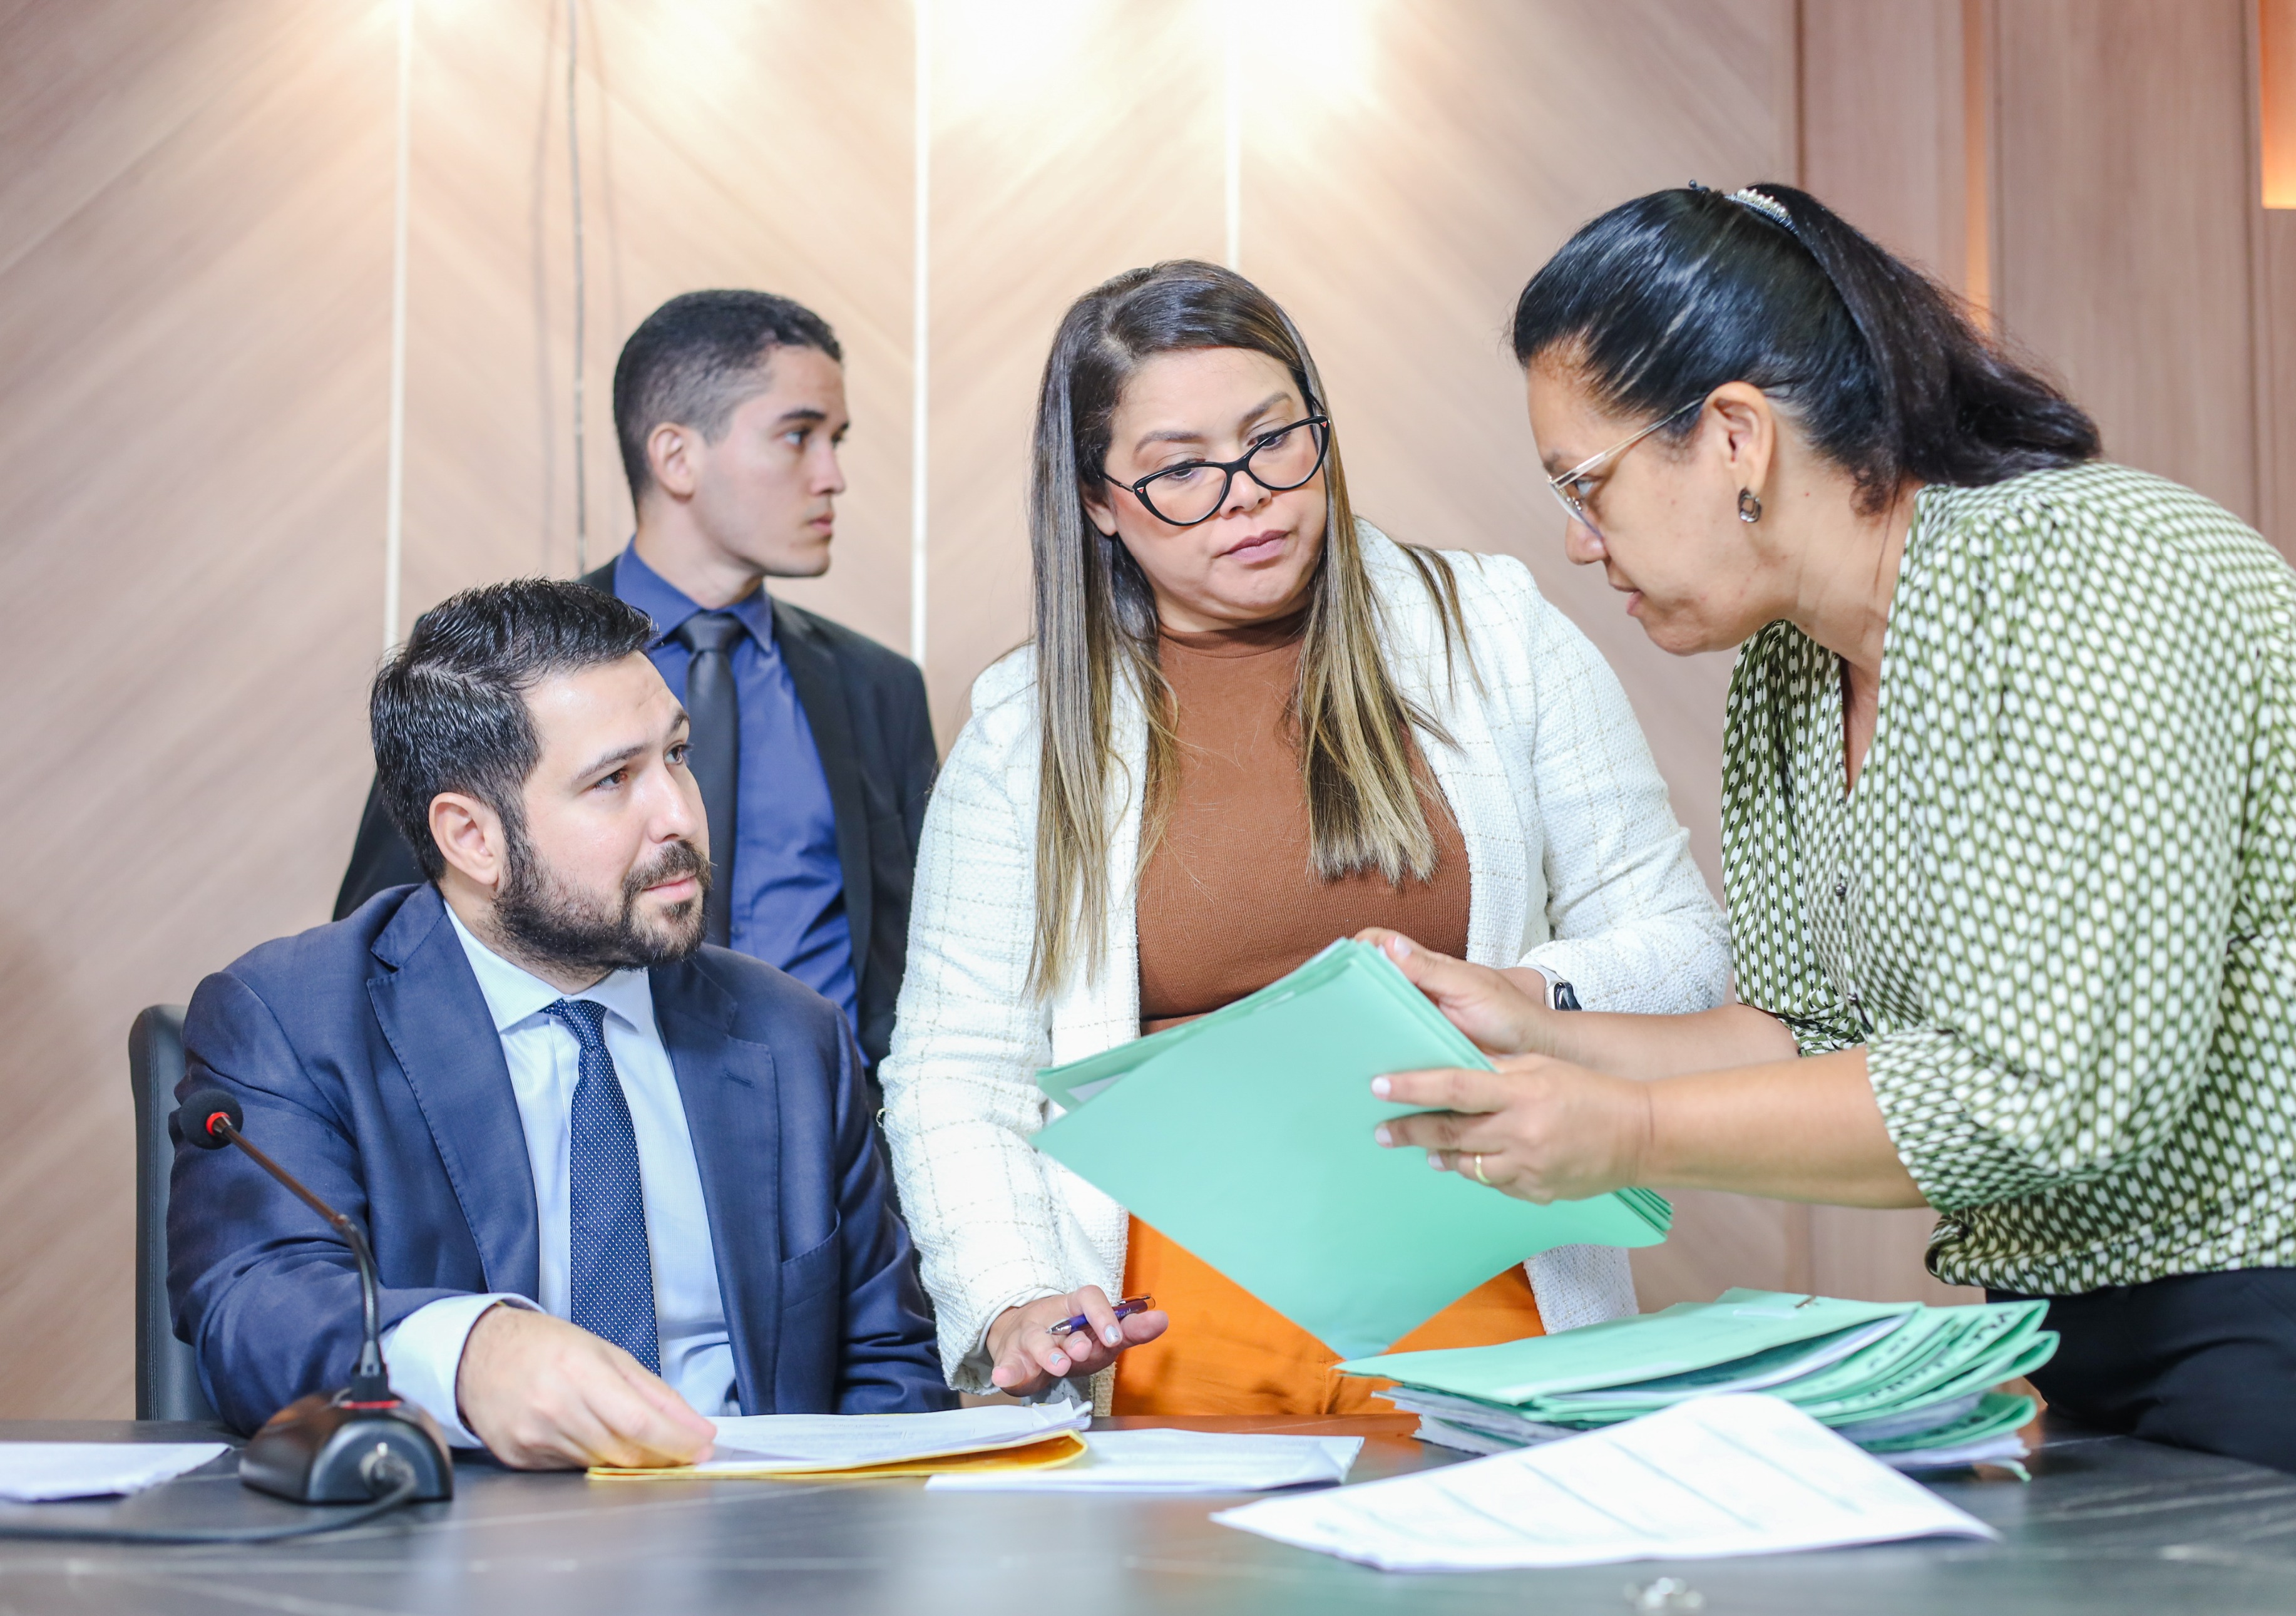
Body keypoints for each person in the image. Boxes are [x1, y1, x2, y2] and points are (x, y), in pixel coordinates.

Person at [1365, 182, 2296, 1484]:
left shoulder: (2098, 574)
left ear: (1736, 436)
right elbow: (1815, 1032)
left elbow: (2050, 1094)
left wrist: (1626, 1131)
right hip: (2065, 1317)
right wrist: (1533, 1028)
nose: (1581, 545)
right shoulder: (1792, 670)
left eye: (1588, 485)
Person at [879, 261, 1731, 1415]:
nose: (1244, 494)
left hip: (1484, 1278)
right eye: (1178, 468)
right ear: (1095, 499)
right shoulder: (1025, 732)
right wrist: (1012, 1295)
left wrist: (1519, 990)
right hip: (1172, 1325)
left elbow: (1685, 947)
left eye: (1275, 440)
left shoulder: (1495, 631)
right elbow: (955, 1068)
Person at [173, 579, 950, 1465]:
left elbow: (891, 1380)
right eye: (614, 779)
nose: (682, 816)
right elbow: (255, 1304)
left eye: (679, 757)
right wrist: (472, 1350)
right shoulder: (293, 1019)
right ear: (473, 838)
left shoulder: (790, 1036)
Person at [336, 290, 936, 1071]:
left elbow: (915, 963)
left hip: (822, 1148)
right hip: (589, 1129)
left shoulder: (876, 687)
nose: (832, 476)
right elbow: (387, 946)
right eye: (798, 436)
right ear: (676, 456)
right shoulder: (501, 674)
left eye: (837, 439)